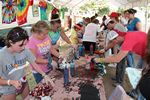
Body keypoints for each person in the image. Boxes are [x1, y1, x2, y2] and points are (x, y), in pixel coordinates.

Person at [0, 27, 53, 100]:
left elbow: (33, 63)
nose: (23, 48)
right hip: (8, 88)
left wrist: (44, 75)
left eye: (25, 44)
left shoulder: (25, 50)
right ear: (11, 42)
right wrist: (11, 82)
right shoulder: (1, 56)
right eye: (21, 45)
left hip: (23, 82)